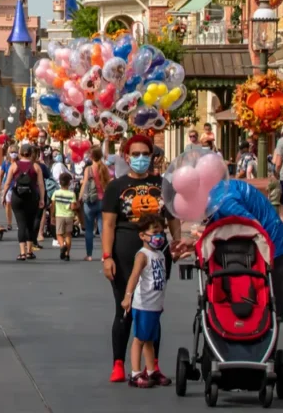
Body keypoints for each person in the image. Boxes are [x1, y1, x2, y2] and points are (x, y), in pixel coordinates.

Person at [101, 133, 182, 384]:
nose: (140, 158)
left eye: (145, 154)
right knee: (124, 309)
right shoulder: (116, 186)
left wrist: (176, 244)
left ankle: (152, 365)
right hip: (125, 255)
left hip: (158, 254)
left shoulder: (163, 185)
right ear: (126, 157)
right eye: (135, 154)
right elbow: (109, 224)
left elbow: (173, 219)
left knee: (153, 310)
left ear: (152, 156)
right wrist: (107, 256)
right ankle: (118, 363)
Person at [207, 176, 283, 323]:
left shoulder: (224, 201)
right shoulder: (220, 191)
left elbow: (253, 226)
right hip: (267, 245)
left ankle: (267, 337)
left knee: (268, 304)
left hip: (274, 247)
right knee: (258, 302)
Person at [121, 214, 170, 389]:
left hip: (155, 305)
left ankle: (151, 371)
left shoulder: (159, 255)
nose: (159, 236)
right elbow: (134, 276)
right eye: (154, 232)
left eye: (161, 232)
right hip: (143, 305)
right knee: (139, 339)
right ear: (142, 235)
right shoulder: (143, 255)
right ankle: (135, 373)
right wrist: (127, 296)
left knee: (150, 339)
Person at [2, 143, 44, 261]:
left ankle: (22, 252)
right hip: (32, 197)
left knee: (21, 225)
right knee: (30, 224)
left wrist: (3, 196)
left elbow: (7, 183)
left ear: (20, 153)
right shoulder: (36, 167)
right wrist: (41, 199)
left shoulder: (14, 166)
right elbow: (40, 184)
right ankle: (30, 251)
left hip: (17, 197)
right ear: (31, 154)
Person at [81, 147, 111, 261]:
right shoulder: (104, 168)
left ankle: (89, 255)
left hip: (90, 201)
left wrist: (79, 197)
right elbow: (108, 184)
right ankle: (105, 254)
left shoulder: (88, 169)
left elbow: (84, 185)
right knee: (103, 229)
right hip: (102, 201)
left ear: (91, 156)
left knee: (89, 229)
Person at [52, 172, 77, 261]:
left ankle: (62, 246)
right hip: (69, 216)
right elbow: (73, 207)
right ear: (69, 183)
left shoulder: (56, 193)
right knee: (68, 235)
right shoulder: (72, 194)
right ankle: (67, 254)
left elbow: (53, 205)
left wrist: (52, 216)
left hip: (59, 215)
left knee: (59, 234)